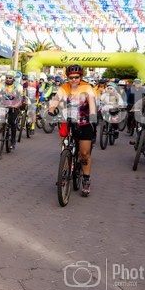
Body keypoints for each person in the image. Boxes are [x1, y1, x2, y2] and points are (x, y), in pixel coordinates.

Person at [48, 64, 97, 196]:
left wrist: (93, 114)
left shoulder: (87, 87)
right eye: (71, 77)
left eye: (76, 77)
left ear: (80, 77)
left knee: (84, 154)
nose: (73, 80)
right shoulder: (64, 87)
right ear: (67, 78)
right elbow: (56, 100)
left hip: (84, 122)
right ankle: (64, 171)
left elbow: (91, 101)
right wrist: (51, 109)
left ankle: (86, 179)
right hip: (68, 121)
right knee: (65, 147)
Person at [0, 70, 23, 149]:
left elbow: (21, 95)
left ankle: (13, 141)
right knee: (0, 119)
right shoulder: (2, 84)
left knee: (13, 123)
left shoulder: (18, 86)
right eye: (7, 77)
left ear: (13, 78)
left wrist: (19, 103)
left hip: (14, 106)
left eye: (10, 78)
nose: (8, 79)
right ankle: (1, 128)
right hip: (4, 105)